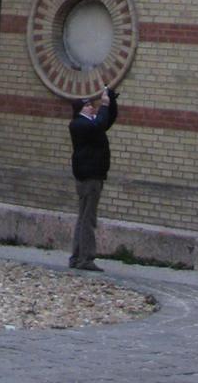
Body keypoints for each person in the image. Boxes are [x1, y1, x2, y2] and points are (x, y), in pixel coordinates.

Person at [68, 85, 119, 271]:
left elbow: (107, 121)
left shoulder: (88, 123)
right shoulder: (80, 124)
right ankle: (85, 259)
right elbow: (100, 124)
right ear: (81, 110)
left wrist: (111, 101)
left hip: (90, 176)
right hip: (89, 178)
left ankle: (77, 256)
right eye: (88, 105)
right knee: (88, 219)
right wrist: (105, 105)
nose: (92, 107)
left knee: (83, 218)